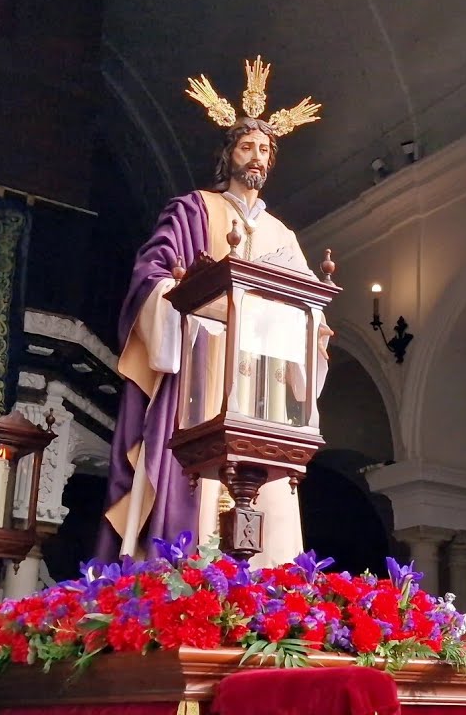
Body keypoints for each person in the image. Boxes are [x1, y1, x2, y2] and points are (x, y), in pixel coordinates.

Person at [96, 57, 330, 567]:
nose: (257, 157)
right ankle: (188, 598)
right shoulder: (194, 210)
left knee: (267, 516)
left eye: (265, 149)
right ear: (228, 155)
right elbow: (152, 277)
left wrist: (313, 336)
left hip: (261, 392)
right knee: (194, 501)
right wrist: (187, 301)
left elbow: (308, 309)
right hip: (200, 379)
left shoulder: (283, 236)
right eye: (247, 146)